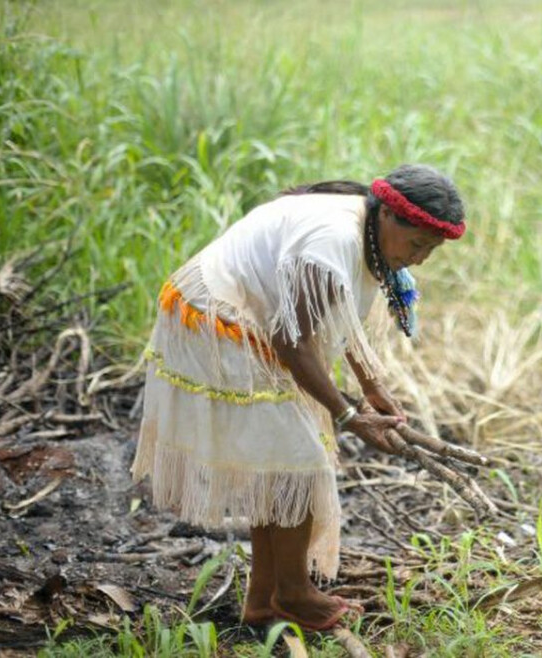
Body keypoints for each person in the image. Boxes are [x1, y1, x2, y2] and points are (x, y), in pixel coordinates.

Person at [131, 164, 466, 631]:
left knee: (281, 461)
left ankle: (264, 601)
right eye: (417, 245)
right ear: (388, 215)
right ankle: (293, 593)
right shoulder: (333, 241)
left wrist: (372, 386)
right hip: (213, 319)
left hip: (250, 318)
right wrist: (348, 416)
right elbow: (291, 341)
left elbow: (338, 315)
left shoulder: (371, 235)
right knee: (299, 463)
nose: (421, 259)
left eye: (430, 250)